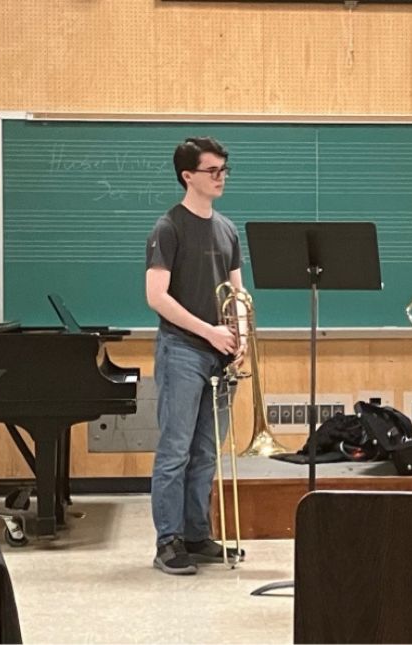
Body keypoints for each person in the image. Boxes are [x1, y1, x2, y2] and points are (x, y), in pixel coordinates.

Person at [145, 136, 247, 575]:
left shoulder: (227, 228)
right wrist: (209, 330)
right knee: (175, 451)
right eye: (213, 171)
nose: (221, 177)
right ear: (189, 176)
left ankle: (196, 533)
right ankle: (167, 541)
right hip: (183, 350)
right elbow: (156, 297)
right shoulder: (168, 227)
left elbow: (238, 291)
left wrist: (241, 337)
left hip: (220, 355)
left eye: (224, 169)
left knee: (207, 451)